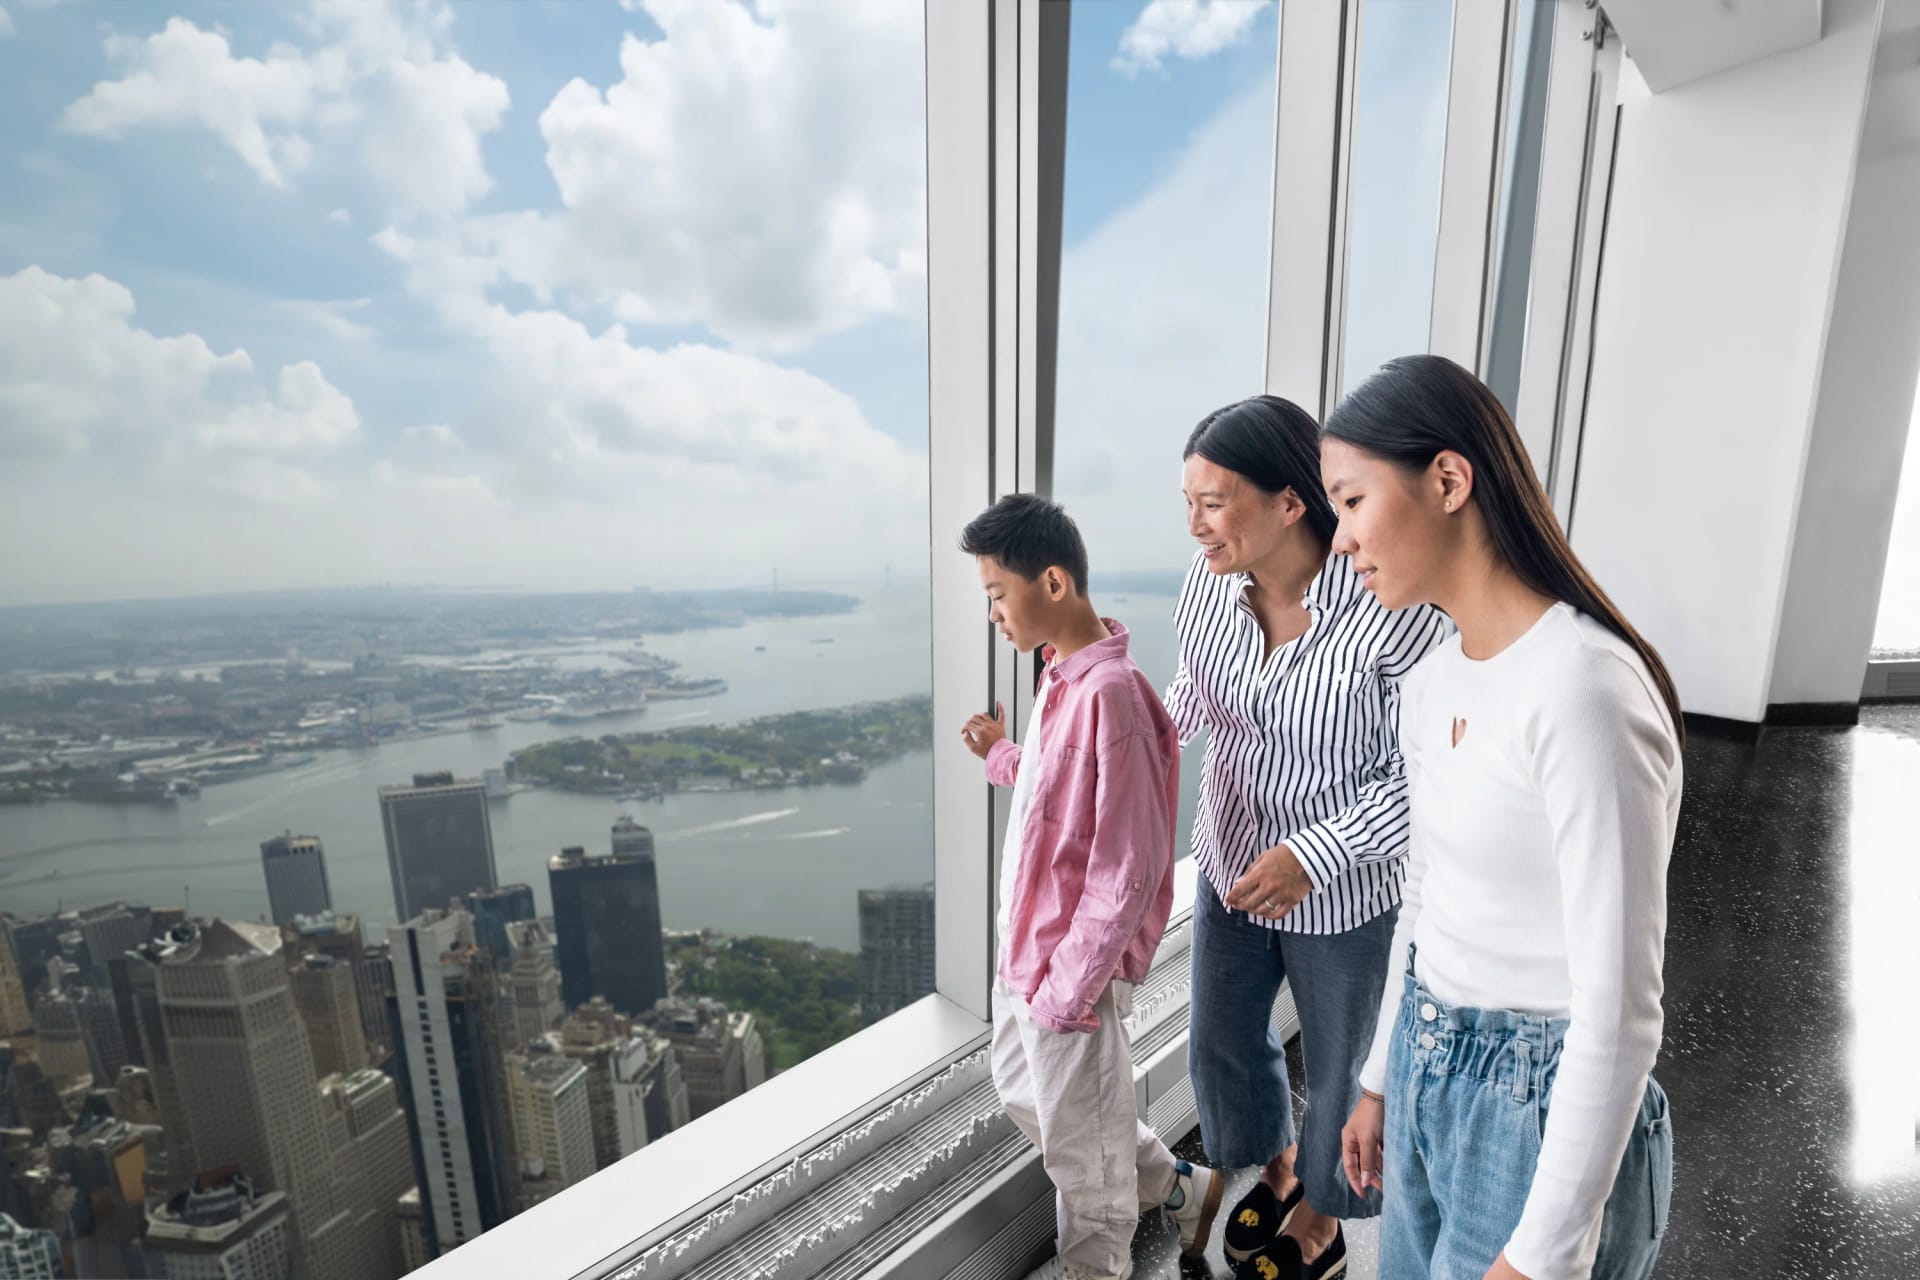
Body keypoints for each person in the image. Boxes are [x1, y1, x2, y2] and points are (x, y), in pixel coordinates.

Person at [1326, 355, 1681, 1280]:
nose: (1338, 540)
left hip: (1541, 1110)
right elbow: (1425, 898)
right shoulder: (1435, 676)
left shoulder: (1583, 691)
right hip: (1426, 1065)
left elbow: (1619, 1007)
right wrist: (1379, 1078)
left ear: (1449, 479)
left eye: (1353, 502)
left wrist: (1545, 1254)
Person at [1166, 396, 1450, 1280]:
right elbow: (1193, 695)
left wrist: (1313, 854)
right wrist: (1123, 733)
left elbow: (1426, 775)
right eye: (1187, 503)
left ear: (1292, 503)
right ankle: (1282, 1170)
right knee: (1220, 1036)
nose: (1196, 525)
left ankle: (1323, 1219)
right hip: (1232, 859)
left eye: (1215, 503)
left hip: (1345, 886)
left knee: (1339, 1067)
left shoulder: (1390, 607)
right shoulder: (1205, 587)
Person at [957, 493, 1222, 1280]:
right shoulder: (1060, 681)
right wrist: (1004, 755)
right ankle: (1179, 1190)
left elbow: (1130, 865)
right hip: (1027, 958)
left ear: (1053, 582)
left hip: (1067, 974)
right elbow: (1055, 796)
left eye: (998, 594)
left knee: (1086, 1168)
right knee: (1023, 1093)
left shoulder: (1114, 696)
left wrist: (1069, 988)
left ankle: (1097, 1264)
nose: (995, 613)